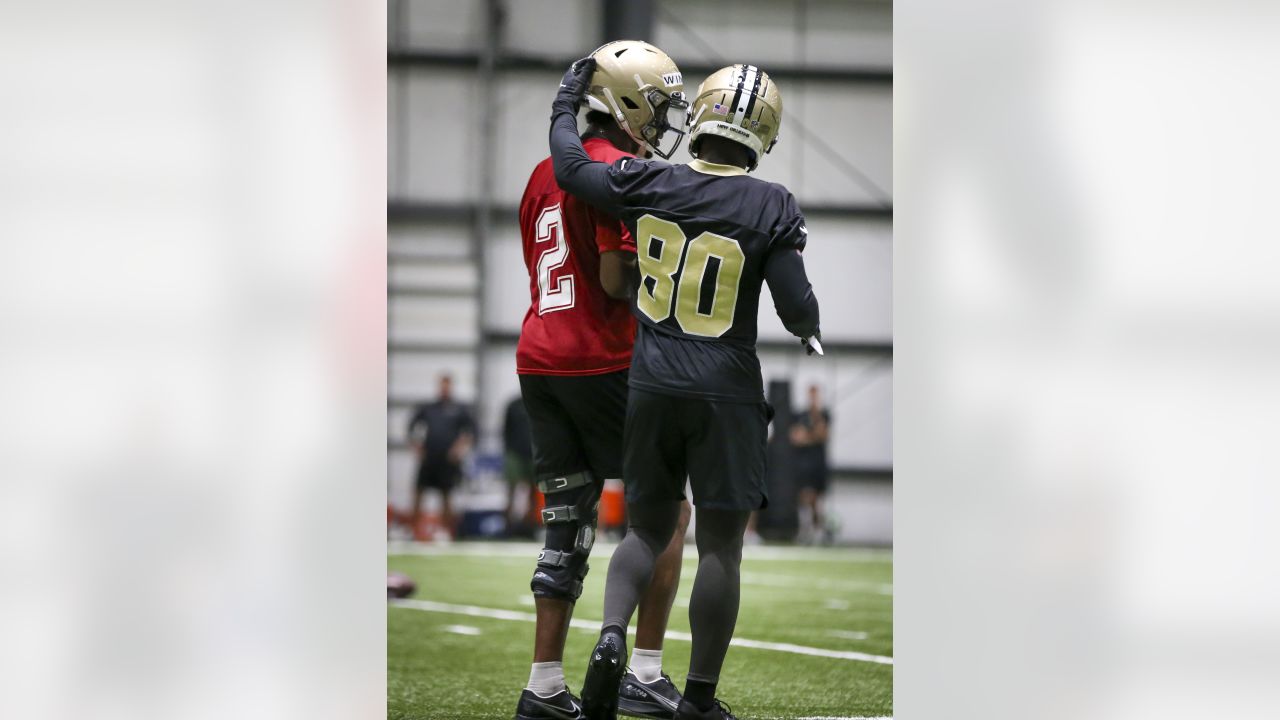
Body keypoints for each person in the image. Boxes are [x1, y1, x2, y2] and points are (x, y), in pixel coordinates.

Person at [550, 57, 822, 720]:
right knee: (721, 549)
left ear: (701, 113)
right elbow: (795, 306)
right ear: (764, 133)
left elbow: (571, 168)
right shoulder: (771, 203)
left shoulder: (649, 180)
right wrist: (810, 328)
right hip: (726, 392)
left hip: (652, 384)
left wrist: (565, 105)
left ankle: (612, 633)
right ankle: (698, 696)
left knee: (644, 533)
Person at [513, 40, 692, 720]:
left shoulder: (539, 172)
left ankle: (545, 685)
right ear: (628, 102)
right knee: (668, 511)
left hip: (539, 356)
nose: (667, 117)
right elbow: (615, 280)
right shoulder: (617, 171)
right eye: (662, 103)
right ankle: (643, 671)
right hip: (602, 358)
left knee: (566, 522)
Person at [407, 374, 475, 540]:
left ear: (451, 387)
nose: (444, 389)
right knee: (418, 493)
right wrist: (418, 448)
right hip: (429, 457)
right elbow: (411, 428)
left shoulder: (459, 408)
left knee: (446, 495)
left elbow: (471, 431)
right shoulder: (428, 408)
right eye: (442, 385)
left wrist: (459, 448)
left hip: (448, 460)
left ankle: (446, 532)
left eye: (447, 385)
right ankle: (413, 531)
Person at [790, 384, 832, 544]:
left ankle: (817, 529)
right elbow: (796, 437)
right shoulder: (800, 414)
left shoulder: (824, 414)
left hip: (818, 462)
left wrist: (808, 435)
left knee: (816, 499)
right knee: (802, 497)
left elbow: (822, 434)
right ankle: (805, 529)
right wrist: (811, 437)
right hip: (802, 463)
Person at [502, 395, 537, 535]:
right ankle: (508, 526)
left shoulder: (539, 402)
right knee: (511, 489)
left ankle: (529, 526)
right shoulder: (513, 405)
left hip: (534, 452)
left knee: (534, 491)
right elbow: (506, 430)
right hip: (515, 452)